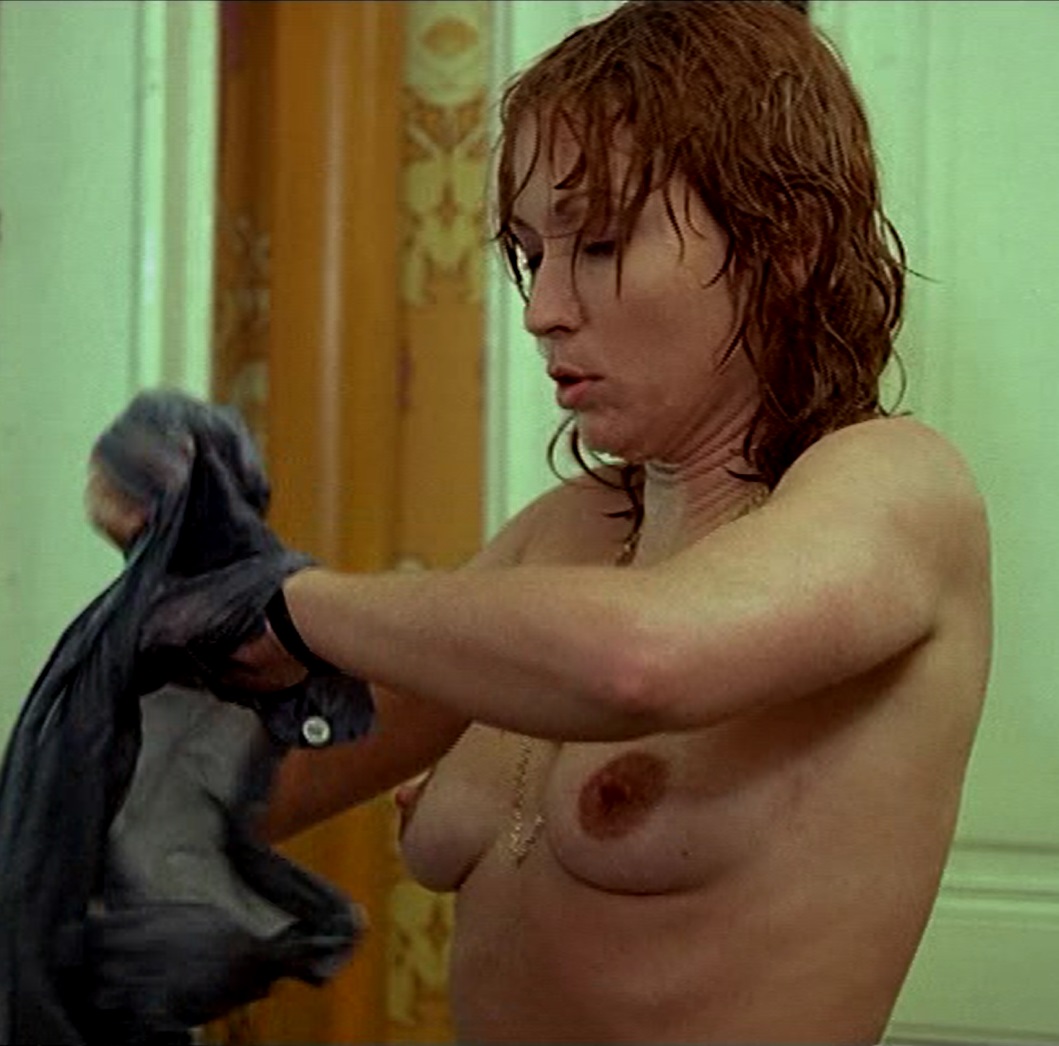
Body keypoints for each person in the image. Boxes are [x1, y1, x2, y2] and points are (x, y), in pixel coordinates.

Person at [90, 2, 991, 1042]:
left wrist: (286, 599)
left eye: (598, 242)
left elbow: (639, 661)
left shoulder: (896, 486)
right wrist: (177, 581)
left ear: (786, 244)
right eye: (527, 253)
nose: (541, 308)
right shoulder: (558, 532)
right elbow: (229, 791)